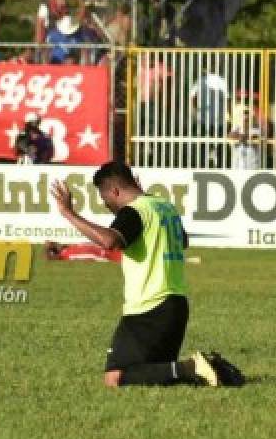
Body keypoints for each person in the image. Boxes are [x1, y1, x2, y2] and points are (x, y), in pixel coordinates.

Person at [50, 161, 243, 387]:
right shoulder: (164, 206)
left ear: (115, 191)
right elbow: (184, 240)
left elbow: (109, 241)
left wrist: (68, 213)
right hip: (176, 305)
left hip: (149, 308)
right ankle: (212, 368)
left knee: (115, 377)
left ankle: (191, 367)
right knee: (154, 374)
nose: (107, 206)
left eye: (106, 200)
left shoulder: (135, 211)